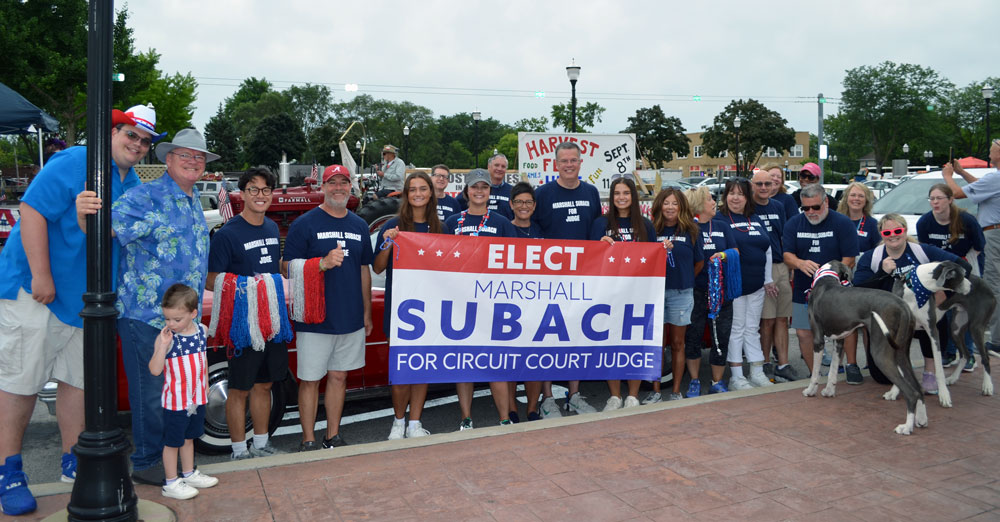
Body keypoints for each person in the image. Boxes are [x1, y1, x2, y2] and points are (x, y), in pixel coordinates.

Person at [0, 104, 159, 516]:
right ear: (112, 132)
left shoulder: (130, 181)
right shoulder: (76, 160)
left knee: (78, 382)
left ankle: (75, 461)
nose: (138, 146)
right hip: (35, 293)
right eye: (131, 135)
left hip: (86, 302)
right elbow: (31, 210)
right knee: (22, 381)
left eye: (145, 141)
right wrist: (41, 276)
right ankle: (8, 471)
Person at [82, 127, 216, 486]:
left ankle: (179, 466)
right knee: (152, 395)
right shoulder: (146, 196)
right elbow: (99, 227)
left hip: (181, 321)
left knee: (179, 394)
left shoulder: (191, 200)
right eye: (185, 155)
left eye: (199, 157)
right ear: (168, 159)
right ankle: (146, 462)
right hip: (147, 317)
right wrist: (83, 211)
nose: (193, 161)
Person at [282, 164, 374, 450]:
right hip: (315, 316)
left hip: (350, 317)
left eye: (343, 183)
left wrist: (367, 312)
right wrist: (319, 264)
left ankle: (332, 435)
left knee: (339, 376)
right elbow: (285, 267)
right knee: (309, 380)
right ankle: (308, 439)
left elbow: (363, 271)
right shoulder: (305, 224)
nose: (338, 188)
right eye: (332, 183)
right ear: (323, 186)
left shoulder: (359, 225)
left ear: (351, 187)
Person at [206, 167, 285, 460]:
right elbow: (210, 279)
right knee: (239, 388)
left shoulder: (272, 228)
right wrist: (246, 285)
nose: (260, 195)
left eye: (266, 190)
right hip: (242, 323)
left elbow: (273, 267)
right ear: (242, 194)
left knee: (265, 385)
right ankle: (239, 450)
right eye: (254, 189)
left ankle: (261, 444)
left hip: (271, 319)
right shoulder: (227, 234)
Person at [853, 213, 971, 394]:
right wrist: (881, 273)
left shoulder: (921, 250)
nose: (893, 235)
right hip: (889, 317)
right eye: (887, 232)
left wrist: (945, 293)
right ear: (881, 235)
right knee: (882, 377)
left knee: (935, 318)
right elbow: (858, 288)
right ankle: (899, 367)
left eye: (898, 230)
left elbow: (962, 267)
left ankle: (930, 372)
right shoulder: (873, 257)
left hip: (920, 313)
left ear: (905, 231)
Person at [532, 141, 602, 415]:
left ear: (580, 163)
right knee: (549, 335)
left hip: (582, 278)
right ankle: (548, 397)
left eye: (574, 160)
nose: (569, 165)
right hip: (549, 279)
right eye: (564, 161)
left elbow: (597, 230)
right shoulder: (543, 194)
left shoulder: (591, 192)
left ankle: (574, 394)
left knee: (576, 335)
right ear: (555, 164)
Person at [445, 169, 517, 429]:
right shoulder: (452, 222)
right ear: (466, 192)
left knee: (494, 361)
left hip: (492, 303)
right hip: (460, 301)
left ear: (489, 191)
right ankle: (466, 417)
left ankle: (504, 418)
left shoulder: (501, 222)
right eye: (474, 187)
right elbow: (438, 258)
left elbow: (514, 260)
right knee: (465, 363)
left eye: (484, 187)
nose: (479, 191)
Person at [374, 172, 443, 439]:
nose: (418, 193)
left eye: (423, 188)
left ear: (430, 193)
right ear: (406, 193)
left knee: (421, 365)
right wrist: (389, 243)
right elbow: (378, 266)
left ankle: (415, 422)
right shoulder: (392, 225)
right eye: (412, 189)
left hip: (431, 308)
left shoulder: (441, 227)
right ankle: (398, 421)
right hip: (400, 308)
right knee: (401, 367)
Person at [591, 176, 657, 410]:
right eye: (617, 193)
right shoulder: (601, 223)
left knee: (635, 343)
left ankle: (633, 395)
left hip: (639, 294)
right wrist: (600, 245)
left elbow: (654, 258)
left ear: (633, 196)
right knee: (611, 343)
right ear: (611, 197)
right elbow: (591, 258)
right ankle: (615, 396)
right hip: (610, 294)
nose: (621, 197)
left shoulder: (646, 224)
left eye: (626, 193)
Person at [148, 284, 219, 500]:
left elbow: (203, 360)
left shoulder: (201, 331)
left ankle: (188, 474)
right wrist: (162, 346)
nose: (171, 324)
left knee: (190, 438)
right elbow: (155, 369)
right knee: (172, 442)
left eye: (176, 319)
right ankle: (171, 482)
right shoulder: (166, 339)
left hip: (196, 398)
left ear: (193, 314)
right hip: (176, 402)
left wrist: (205, 384)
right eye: (167, 319)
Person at [782, 182, 859, 375]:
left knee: (846, 328)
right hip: (804, 288)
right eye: (805, 208)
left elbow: (849, 258)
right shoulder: (793, 223)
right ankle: (814, 372)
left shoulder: (842, 223)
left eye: (815, 207)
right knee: (803, 332)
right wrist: (800, 263)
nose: (811, 212)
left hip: (837, 288)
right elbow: (787, 255)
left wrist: (832, 275)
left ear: (825, 202)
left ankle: (850, 365)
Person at [917, 182, 985, 370]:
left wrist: (962, 267)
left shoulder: (966, 220)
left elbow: (979, 245)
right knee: (943, 309)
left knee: (965, 309)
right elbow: (925, 250)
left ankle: (968, 354)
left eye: (939, 198)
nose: (935, 202)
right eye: (932, 198)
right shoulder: (925, 222)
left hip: (967, 263)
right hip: (940, 269)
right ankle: (948, 352)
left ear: (950, 200)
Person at [715, 178, 774, 390]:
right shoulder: (719, 219)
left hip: (756, 285)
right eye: (731, 193)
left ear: (747, 197)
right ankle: (737, 376)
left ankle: (756, 372)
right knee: (736, 329)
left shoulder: (754, 218)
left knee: (752, 329)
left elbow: (767, 250)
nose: (736, 197)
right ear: (725, 196)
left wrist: (768, 280)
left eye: (740, 193)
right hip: (734, 287)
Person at [942, 147, 1000, 355]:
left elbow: (956, 194)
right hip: (995, 232)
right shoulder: (995, 179)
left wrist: (947, 176)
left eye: (992, 151)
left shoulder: (996, 177)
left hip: (994, 233)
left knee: (993, 286)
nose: (989, 154)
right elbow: (979, 187)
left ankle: (996, 341)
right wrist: (962, 173)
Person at [650, 187, 703, 401]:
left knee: (677, 344)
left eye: (674, 203)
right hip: (655, 292)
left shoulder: (691, 230)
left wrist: (685, 279)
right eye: (666, 203)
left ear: (681, 206)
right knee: (657, 344)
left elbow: (698, 263)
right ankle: (654, 391)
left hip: (681, 293)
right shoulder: (650, 229)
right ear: (659, 205)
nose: (670, 207)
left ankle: (675, 391)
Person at [683, 186, 736, 396]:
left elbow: (735, 251)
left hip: (720, 292)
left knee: (720, 337)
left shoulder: (723, 226)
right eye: (709, 199)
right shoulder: (687, 228)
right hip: (695, 291)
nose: (714, 202)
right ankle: (694, 381)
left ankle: (717, 381)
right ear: (697, 204)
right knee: (693, 337)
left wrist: (722, 256)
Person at [751, 167, 796, 383]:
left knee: (782, 319)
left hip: (780, 266)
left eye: (767, 184)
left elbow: (784, 237)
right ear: (752, 186)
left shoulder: (778, 206)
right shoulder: (749, 208)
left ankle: (783, 364)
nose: (763, 188)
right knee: (766, 321)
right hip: (761, 268)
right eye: (759, 184)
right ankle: (765, 362)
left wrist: (790, 265)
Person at [835, 182, 881, 384]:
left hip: (865, 276)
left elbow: (879, 251)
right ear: (846, 198)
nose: (856, 199)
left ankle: (872, 361)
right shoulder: (837, 221)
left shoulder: (871, 224)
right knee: (848, 323)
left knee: (868, 323)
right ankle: (849, 364)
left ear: (866, 200)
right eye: (852, 195)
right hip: (842, 274)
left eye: (860, 196)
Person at [507, 182, 546, 421]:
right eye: (519, 202)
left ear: (534, 206)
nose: (524, 206)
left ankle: (532, 408)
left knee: (535, 359)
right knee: (509, 360)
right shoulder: (503, 228)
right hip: (509, 304)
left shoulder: (541, 230)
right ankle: (511, 408)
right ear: (511, 204)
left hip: (537, 304)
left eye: (528, 202)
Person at [458, 154, 515, 219]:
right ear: (488, 166)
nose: (500, 169)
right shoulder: (472, 191)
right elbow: (457, 206)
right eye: (496, 165)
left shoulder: (512, 191)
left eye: (503, 166)